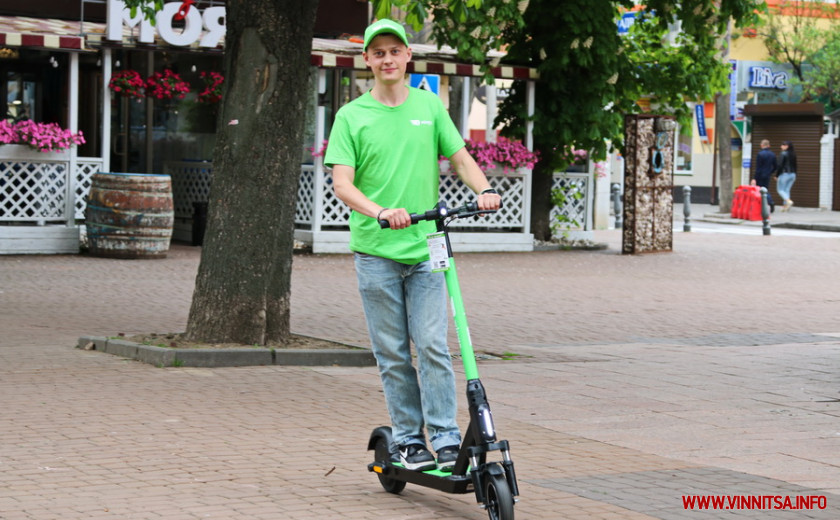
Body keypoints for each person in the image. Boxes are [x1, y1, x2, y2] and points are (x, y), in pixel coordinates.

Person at [323, 19, 502, 472]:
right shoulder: (352, 116)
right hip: (376, 252)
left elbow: (460, 158)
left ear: (407, 57)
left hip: (425, 249)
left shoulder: (428, 105)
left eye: (394, 51)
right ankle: (407, 438)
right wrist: (380, 211)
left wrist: (483, 190)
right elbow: (342, 184)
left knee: (433, 345)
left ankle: (443, 436)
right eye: (378, 52)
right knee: (394, 353)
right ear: (367, 60)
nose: (387, 59)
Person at [753, 139, 776, 212]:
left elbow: (758, 167)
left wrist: (754, 178)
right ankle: (768, 203)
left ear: (761, 145)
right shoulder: (773, 154)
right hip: (767, 175)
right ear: (769, 145)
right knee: (765, 189)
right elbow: (776, 166)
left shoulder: (760, 154)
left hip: (760, 175)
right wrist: (770, 172)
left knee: (761, 190)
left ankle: (769, 202)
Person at [776, 141, 797, 211]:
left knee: (780, 190)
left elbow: (780, 165)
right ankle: (785, 206)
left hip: (784, 174)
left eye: (783, 145)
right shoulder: (793, 154)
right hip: (793, 174)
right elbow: (796, 165)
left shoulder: (783, 154)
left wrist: (777, 175)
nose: (781, 146)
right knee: (787, 190)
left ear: (787, 146)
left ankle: (788, 201)